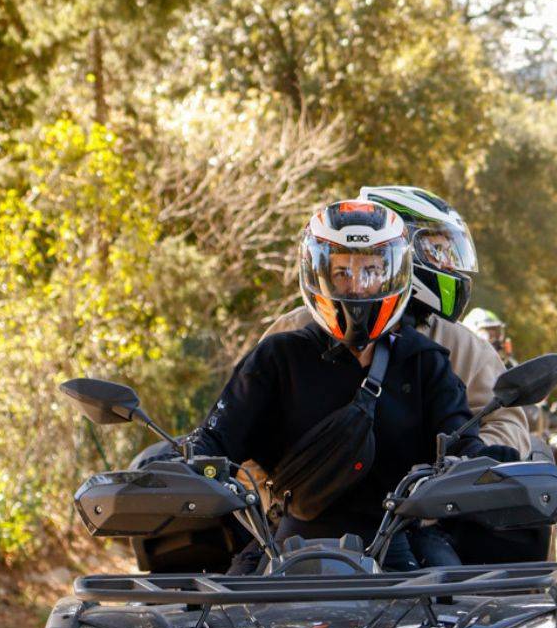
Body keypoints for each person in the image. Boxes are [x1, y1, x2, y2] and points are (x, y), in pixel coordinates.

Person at [190, 201, 489, 569]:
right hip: (286, 549)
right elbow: (214, 440)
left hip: (400, 545)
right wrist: (175, 466)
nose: (358, 286)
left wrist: (505, 467)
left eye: (372, 270)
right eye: (342, 272)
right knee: (221, 620)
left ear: (395, 274)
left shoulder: (424, 362)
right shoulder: (278, 356)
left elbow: (465, 448)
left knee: (462, 608)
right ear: (319, 275)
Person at [263, 186, 531, 459]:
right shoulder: (296, 330)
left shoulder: (462, 346)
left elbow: (505, 423)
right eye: (437, 251)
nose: (448, 265)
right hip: (305, 498)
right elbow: (250, 424)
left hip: (430, 498)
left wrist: (463, 465)